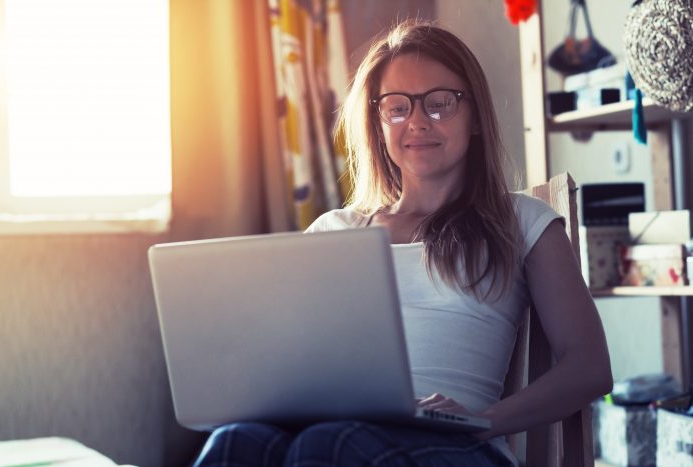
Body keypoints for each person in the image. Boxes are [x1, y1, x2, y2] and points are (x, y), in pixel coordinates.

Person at [193, 19, 612, 467]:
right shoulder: (332, 232)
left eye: (439, 104)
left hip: (459, 447)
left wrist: (481, 420)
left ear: (474, 118)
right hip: (335, 429)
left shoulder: (523, 221)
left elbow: (589, 367)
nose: (417, 121)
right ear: (379, 122)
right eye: (397, 107)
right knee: (235, 441)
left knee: (329, 446)